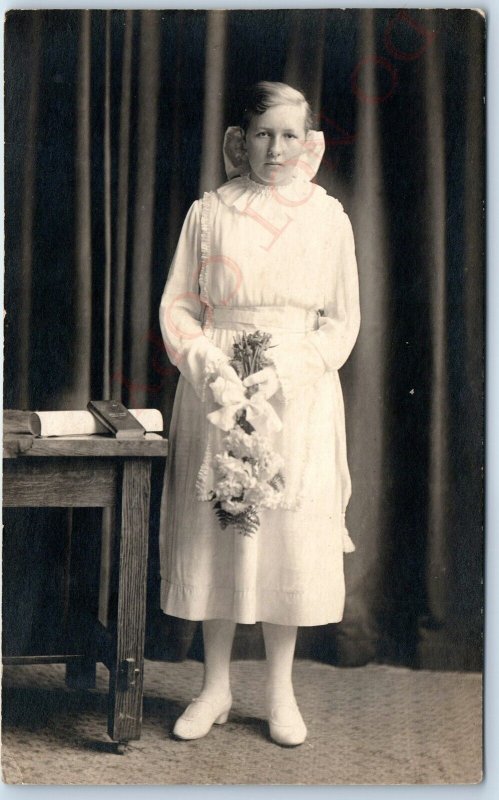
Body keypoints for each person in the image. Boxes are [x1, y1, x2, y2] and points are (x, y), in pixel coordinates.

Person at [158, 81, 360, 746]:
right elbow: (179, 305)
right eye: (264, 134)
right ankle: (214, 685)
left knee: (285, 536)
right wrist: (205, 364)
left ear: (308, 143)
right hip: (217, 385)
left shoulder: (327, 219)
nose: (276, 148)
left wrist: (292, 370)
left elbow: (340, 322)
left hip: (293, 393)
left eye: (289, 135)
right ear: (241, 139)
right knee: (219, 525)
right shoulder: (208, 214)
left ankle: (278, 689)